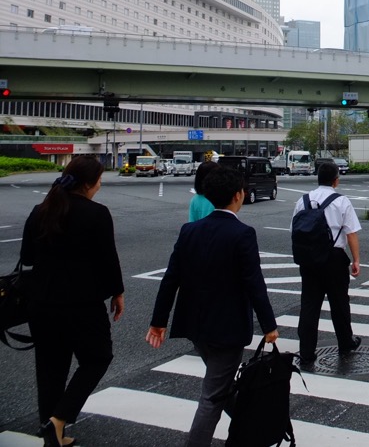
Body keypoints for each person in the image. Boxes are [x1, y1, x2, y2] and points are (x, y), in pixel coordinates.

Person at [147, 167, 278, 447]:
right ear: (238, 195)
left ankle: (253, 429)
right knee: (212, 396)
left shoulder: (189, 230)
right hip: (227, 329)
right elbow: (254, 283)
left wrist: (158, 321)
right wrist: (269, 325)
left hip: (196, 326)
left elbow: (171, 279)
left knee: (222, 384)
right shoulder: (242, 233)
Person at [20, 156, 124, 447]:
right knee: (98, 357)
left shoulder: (41, 210)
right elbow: (108, 259)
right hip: (82, 303)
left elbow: (27, 257)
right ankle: (58, 420)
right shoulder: (97, 213)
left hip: (41, 302)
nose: (100, 185)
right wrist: (117, 292)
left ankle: (53, 433)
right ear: (89, 183)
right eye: (99, 180)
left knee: (50, 368)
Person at [293, 161, 362, 366]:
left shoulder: (302, 201)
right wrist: (356, 260)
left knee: (309, 305)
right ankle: (345, 342)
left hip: (308, 259)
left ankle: (306, 351)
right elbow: (351, 233)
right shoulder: (341, 201)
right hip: (334, 258)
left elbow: (294, 231)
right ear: (336, 180)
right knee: (339, 303)